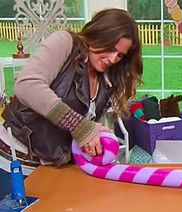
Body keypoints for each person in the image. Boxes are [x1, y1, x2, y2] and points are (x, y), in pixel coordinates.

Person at [0, 8, 143, 198]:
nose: (112, 59)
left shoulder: (107, 79)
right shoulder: (64, 43)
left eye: (120, 55)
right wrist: (79, 126)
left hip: (56, 169)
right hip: (15, 164)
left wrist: (96, 142)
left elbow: (87, 132)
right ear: (98, 33)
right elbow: (27, 85)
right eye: (110, 48)